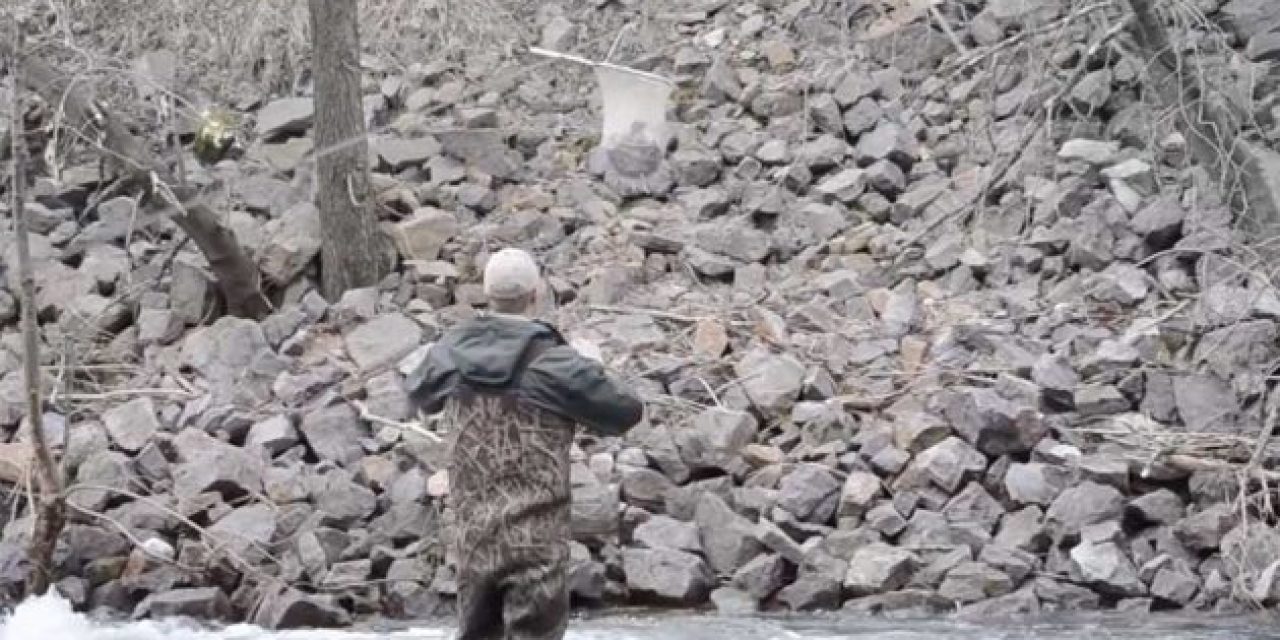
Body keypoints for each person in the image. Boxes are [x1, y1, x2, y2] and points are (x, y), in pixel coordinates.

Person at [404, 247, 644, 640]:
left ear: (485, 293)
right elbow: (625, 411)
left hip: (474, 539)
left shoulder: (449, 352)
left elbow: (417, 395)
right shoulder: (558, 363)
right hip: (537, 544)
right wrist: (591, 365)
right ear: (536, 294)